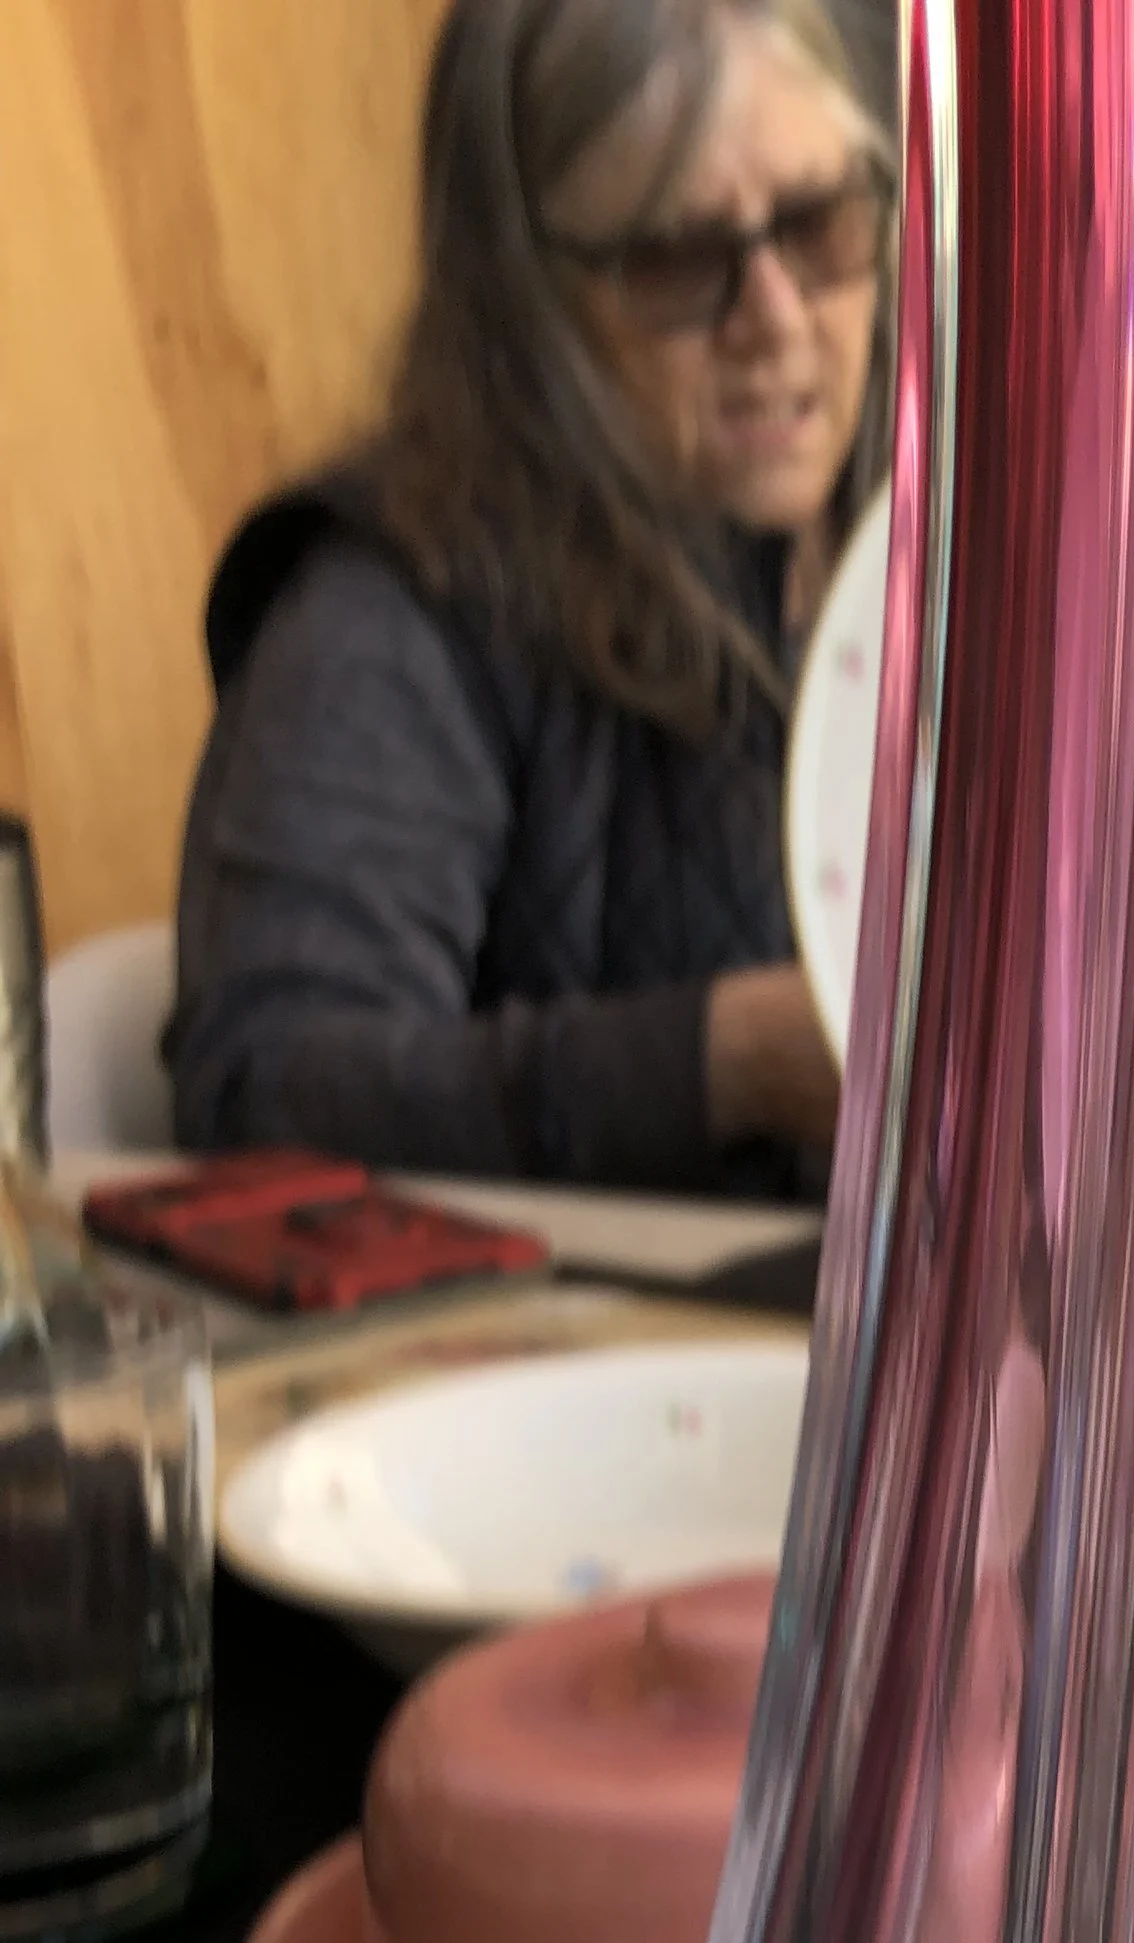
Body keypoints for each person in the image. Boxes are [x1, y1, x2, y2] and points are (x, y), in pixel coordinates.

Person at [167, 0, 895, 1195]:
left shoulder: (951, 555)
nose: (775, 320)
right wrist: (730, 1059)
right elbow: (262, 1083)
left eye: (819, 225)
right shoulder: (395, 610)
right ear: (527, 302)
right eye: (677, 259)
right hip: (582, 1314)